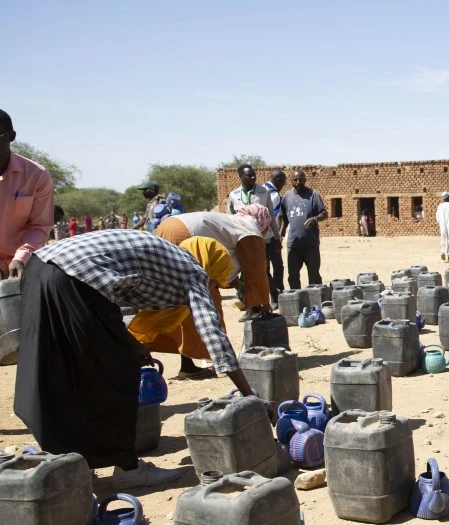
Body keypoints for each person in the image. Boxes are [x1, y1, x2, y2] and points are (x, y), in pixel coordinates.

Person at [14, 230, 255, 489]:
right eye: (216, 283)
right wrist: (249, 395)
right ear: (211, 267)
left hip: (39, 269)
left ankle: (71, 461)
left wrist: (132, 344)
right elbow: (214, 335)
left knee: (63, 367)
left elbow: (112, 297)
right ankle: (128, 469)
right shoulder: (194, 272)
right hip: (74, 280)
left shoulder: (167, 256)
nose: (212, 289)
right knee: (117, 372)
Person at [152, 205, 273, 374]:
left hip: (166, 227)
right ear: (264, 221)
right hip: (184, 235)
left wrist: (239, 287)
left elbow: (229, 261)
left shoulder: (231, 222)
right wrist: (263, 303)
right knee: (206, 303)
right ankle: (222, 362)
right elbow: (257, 270)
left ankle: (188, 366)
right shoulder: (250, 229)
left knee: (181, 301)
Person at [0, 109, 55, 279]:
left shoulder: (36, 175)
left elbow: (39, 226)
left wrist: (21, 258)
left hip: (19, 269)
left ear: (11, 136)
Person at [226, 164, 281, 303]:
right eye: (249, 175)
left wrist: (276, 236)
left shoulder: (264, 192)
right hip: (243, 239)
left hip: (264, 238)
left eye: (254, 174)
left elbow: (271, 216)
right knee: (245, 271)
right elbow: (229, 220)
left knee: (263, 269)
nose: (253, 177)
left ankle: (273, 297)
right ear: (240, 177)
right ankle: (250, 302)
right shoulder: (234, 195)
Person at [280, 170, 328, 289]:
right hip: (294, 244)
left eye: (301, 179)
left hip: (311, 244)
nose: (298, 182)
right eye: (295, 180)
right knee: (293, 276)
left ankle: (315, 303)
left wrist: (315, 219)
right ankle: (297, 302)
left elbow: (324, 213)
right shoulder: (287, 196)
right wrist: (279, 236)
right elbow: (283, 219)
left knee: (314, 276)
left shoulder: (313, 195)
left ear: (305, 180)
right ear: (291, 181)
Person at [262, 170, 286, 304]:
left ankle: (269, 295)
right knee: (277, 266)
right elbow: (275, 217)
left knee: (264, 267)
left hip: (258, 236)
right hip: (270, 237)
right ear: (278, 180)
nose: (283, 185)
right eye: (283, 182)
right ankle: (277, 294)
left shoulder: (259, 190)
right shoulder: (274, 194)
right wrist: (277, 237)